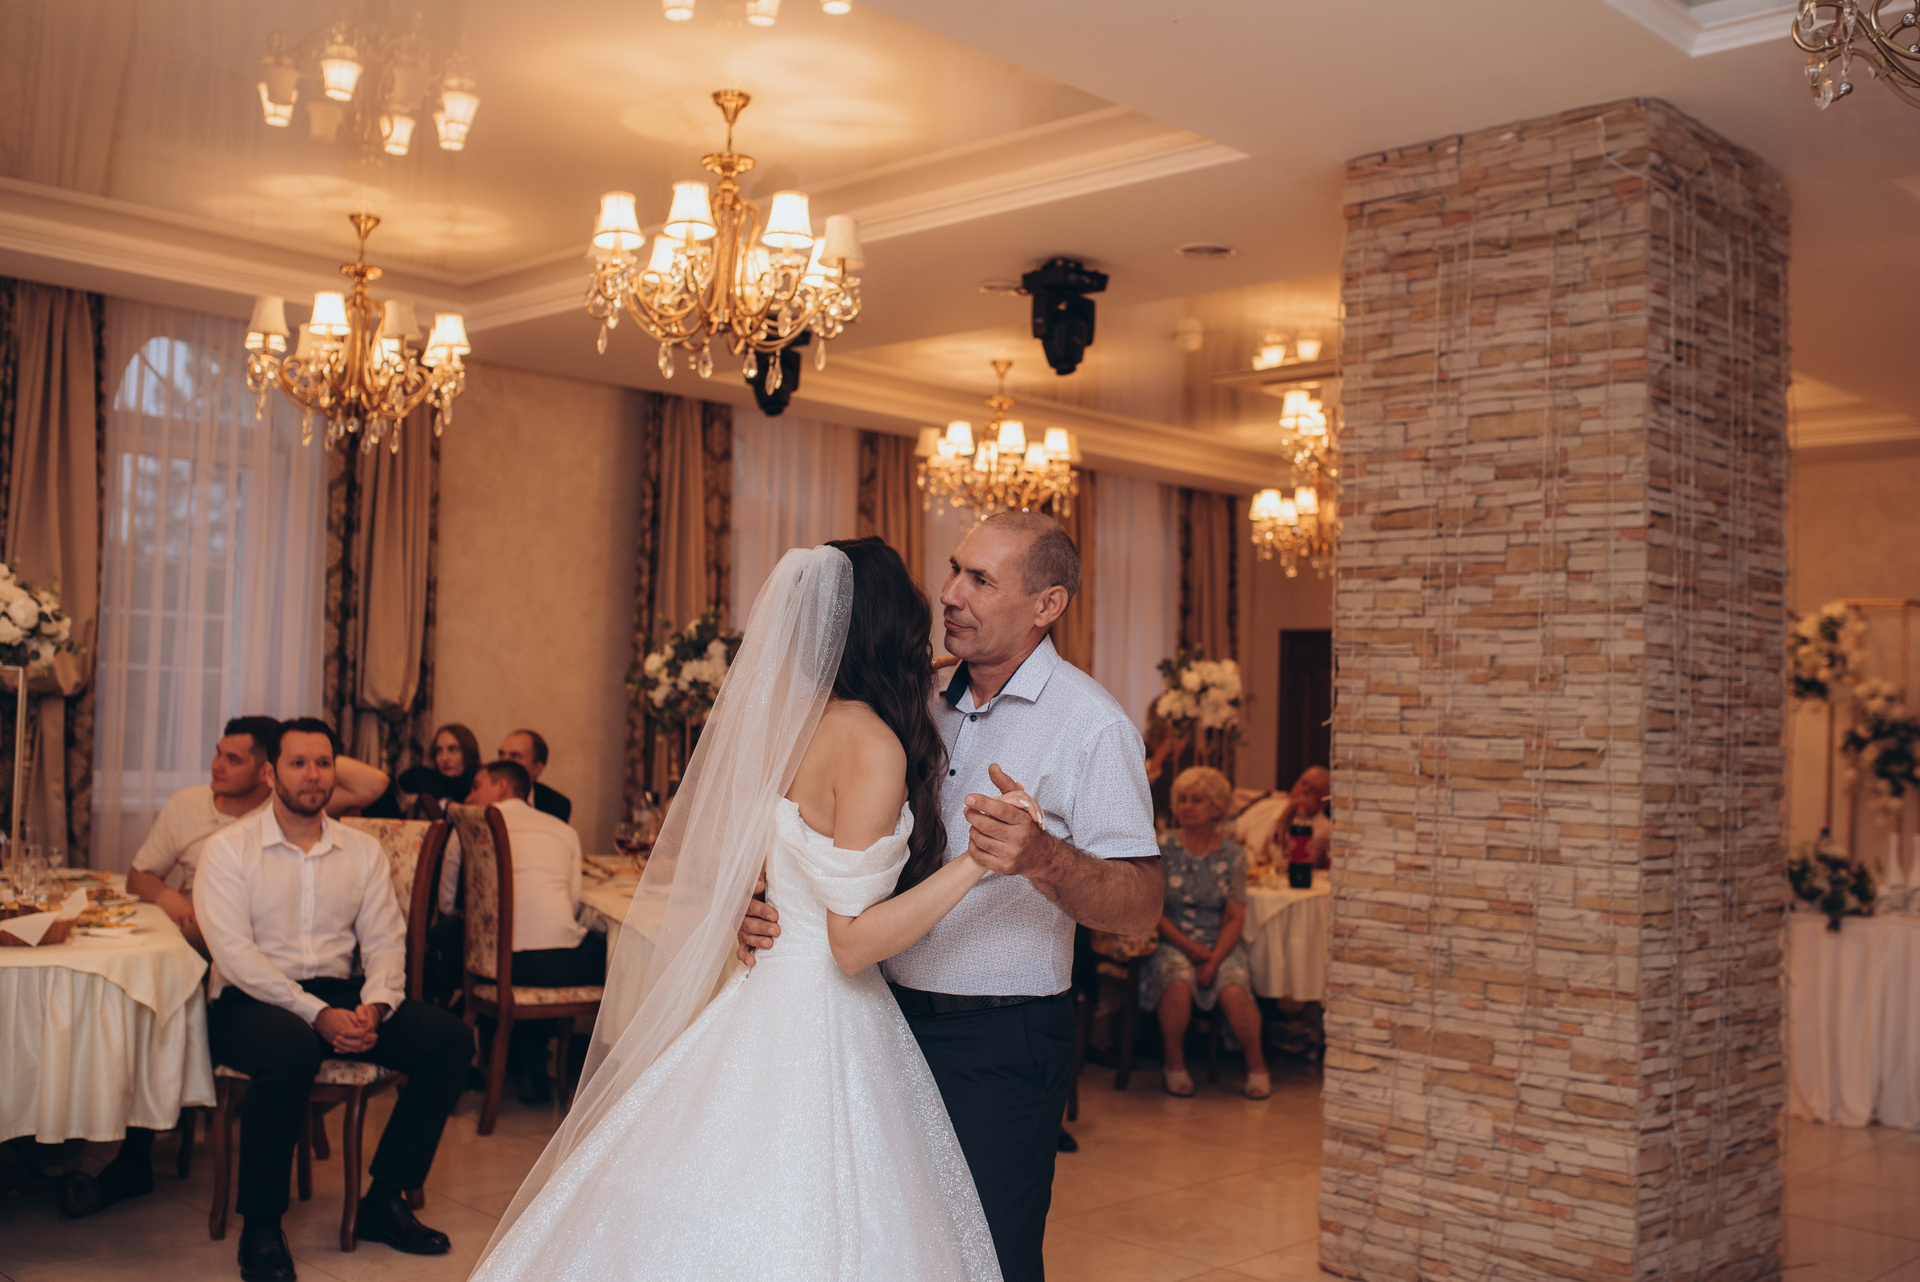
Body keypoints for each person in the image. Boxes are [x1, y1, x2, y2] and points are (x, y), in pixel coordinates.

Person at [471, 541, 1002, 1280]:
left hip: (762, 991)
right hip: (823, 1008)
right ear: (890, 626)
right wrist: (978, 862)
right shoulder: (873, 745)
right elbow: (851, 943)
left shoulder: (795, 727)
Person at [744, 514, 1164, 1282]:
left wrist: (1044, 857)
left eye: (980, 580)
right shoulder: (914, 694)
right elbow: (828, 833)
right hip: (873, 1020)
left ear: (1047, 605)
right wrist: (768, 898)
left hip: (995, 1042)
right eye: (953, 569)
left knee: (985, 1260)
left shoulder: (1091, 727)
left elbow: (1141, 907)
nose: (949, 594)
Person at [195, 718, 473, 1282]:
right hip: (250, 1000)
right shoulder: (228, 849)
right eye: (298, 763)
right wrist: (315, 1014)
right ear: (271, 773)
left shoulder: (362, 851)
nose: (313, 775)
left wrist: (376, 1006)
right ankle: (261, 1228)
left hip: (340, 991)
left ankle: (384, 1201)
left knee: (450, 1040)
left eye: (323, 763)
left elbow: (385, 942)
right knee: (291, 1049)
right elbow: (235, 956)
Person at [126, 718, 392, 953]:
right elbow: (138, 876)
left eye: (233, 760)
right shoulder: (186, 805)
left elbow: (375, 784)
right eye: (219, 754)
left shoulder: (294, 802)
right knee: (146, 947)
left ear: (265, 771)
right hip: (209, 924)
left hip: (276, 932)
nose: (217, 766)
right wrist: (165, 895)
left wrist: (296, 749)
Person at [454, 758, 601, 1104]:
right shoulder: (564, 831)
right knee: (618, 952)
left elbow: (449, 899)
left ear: (502, 786)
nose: (469, 796)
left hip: (489, 962)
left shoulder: (470, 823)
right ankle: (610, 1076)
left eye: (476, 787)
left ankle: (526, 1065)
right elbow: (573, 905)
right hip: (553, 966)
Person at [1140, 765, 1269, 1100]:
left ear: (1216, 807)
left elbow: (1235, 916)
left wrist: (1213, 958)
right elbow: (1154, 911)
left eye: (1197, 800)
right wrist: (1190, 948)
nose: (1187, 806)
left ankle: (1257, 1066)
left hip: (1219, 943)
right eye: (1182, 799)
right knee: (1178, 982)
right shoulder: (1162, 848)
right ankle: (1175, 1064)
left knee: (1234, 988)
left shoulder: (1233, 855)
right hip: (1173, 939)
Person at [395, 723, 481, 811]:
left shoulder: (480, 785)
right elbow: (405, 779)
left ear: (468, 753)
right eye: (439, 751)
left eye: (452, 749)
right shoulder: (432, 780)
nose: (444, 758)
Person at [498, 729, 571, 822]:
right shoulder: (485, 795)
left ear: (537, 768)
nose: (504, 762)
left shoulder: (557, 804)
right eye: (502, 754)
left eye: (515, 756)